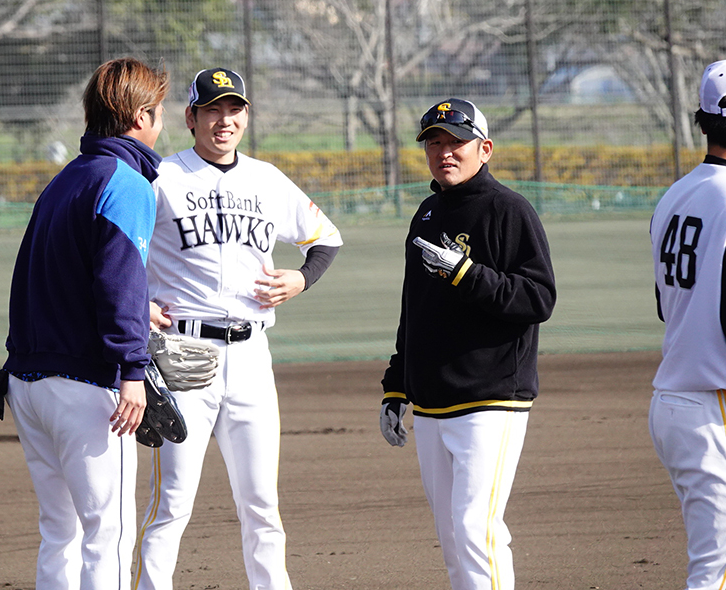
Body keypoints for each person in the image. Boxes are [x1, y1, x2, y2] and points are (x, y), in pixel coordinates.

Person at [132, 67, 343, 590]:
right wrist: (136, 305)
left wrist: (301, 277)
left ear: (245, 116)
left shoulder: (267, 179)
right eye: (212, 110)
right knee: (172, 502)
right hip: (182, 353)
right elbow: (116, 254)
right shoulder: (161, 178)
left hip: (251, 357)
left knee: (261, 503)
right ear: (191, 117)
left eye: (234, 109)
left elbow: (326, 238)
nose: (224, 120)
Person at [0, 57, 169, 590]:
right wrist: (133, 371)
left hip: (29, 382)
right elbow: (117, 282)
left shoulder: (65, 179)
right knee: (107, 535)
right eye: (158, 111)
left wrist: (139, 312)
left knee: (60, 533)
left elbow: (54, 279)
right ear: (140, 116)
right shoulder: (126, 182)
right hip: (87, 388)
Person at [379, 98, 556, 590]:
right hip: (433, 402)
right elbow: (413, 308)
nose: (445, 152)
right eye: (435, 142)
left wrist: (467, 274)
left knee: (476, 530)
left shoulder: (509, 209)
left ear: (486, 148)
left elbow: (539, 297)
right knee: (453, 538)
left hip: (491, 397)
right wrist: (397, 384)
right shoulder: (428, 211)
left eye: (457, 141)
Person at [649, 59, 726, 590]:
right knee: (715, 572)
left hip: (677, 402)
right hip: (713, 403)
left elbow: (664, 304)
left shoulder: (674, 194)